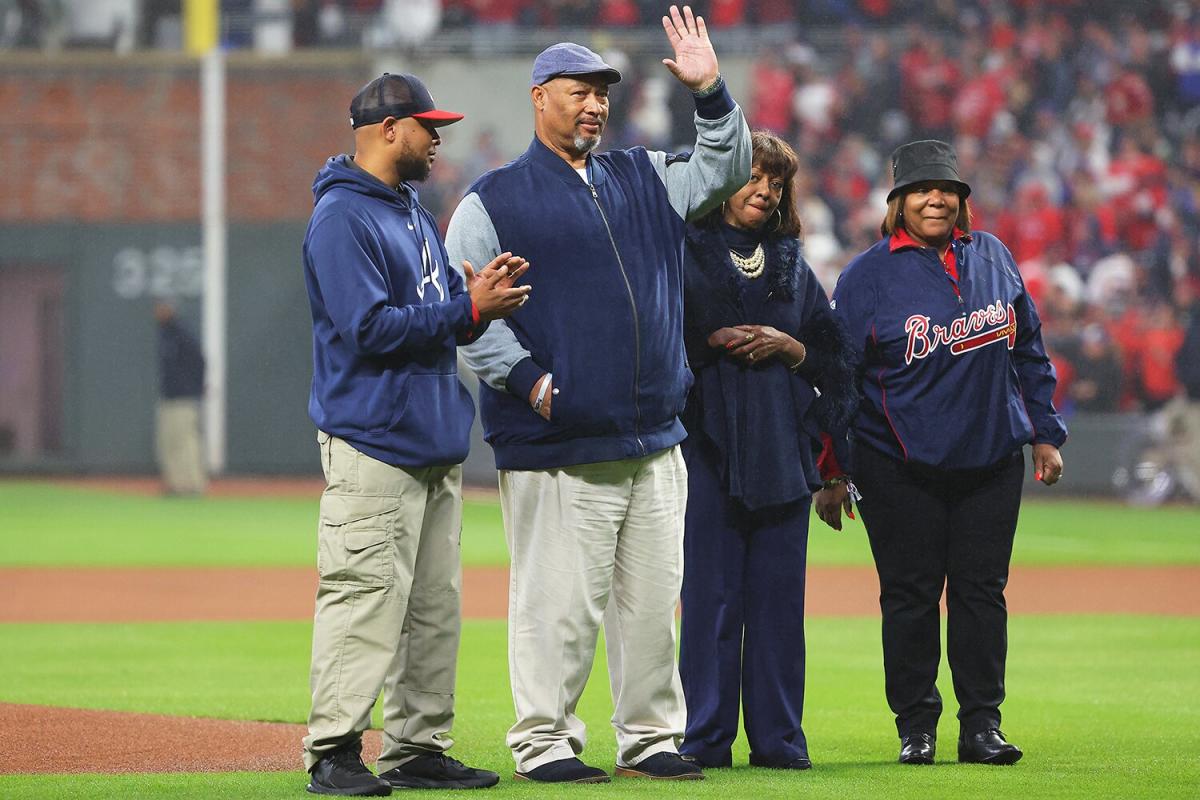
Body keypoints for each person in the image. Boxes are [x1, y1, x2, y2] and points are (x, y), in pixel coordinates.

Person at [444, 5, 750, 784]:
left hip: (653, 436)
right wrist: (534, 385)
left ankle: (650, 738)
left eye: (602, 93)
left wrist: (711, 92)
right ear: (539, 95)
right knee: (558, 607)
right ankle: (544, 741)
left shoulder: (641, 175)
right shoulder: (494, 200)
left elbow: (727, 170)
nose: (594, 104)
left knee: (652, 607)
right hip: (558, 444)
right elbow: (469, 313)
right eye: (578, 89)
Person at [300, 72, 531, 797]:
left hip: (430, 437)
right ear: (388, 128)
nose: (438, 139)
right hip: (373, 438)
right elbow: (367, 329)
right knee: (363, 597)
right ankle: (333, 750)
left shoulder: (408, 209)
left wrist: (469, 300)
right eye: (427, 126)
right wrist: (467, 309)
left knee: (434, 610)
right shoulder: (342, 218)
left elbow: (434, 314)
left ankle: (416, 746)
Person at [815, 140, 1067, 768]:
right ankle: (916, 726)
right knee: (909, 595)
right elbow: (839, 378)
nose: (936, 199)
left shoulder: (994, 257)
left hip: (991, 458)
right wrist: (832, 469)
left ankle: (982, 725)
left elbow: (1028, 349)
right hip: (897, 464)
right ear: (897, 202)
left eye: (947, 189)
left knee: (983, 594)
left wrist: (1043, 431)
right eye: (922, 189)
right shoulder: (867, 275)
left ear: (962, 200)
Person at [676, 131, 857, 771]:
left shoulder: (792, 265)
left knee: (779, 606)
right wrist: (707, 342)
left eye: (776, 183)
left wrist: (792, 348)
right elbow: (658, 344)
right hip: (707, 447)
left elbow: (838, 367)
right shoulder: (684, 252)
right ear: (722, 181)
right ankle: (704, 739)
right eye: (754, 177)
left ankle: (779, 741)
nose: (764, 191)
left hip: (783, 450)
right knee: (710, 602)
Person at [153, 301, 207, 496]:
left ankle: (192, 485)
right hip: (169, 397)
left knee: (186, 443)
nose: (159, 311)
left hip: (185, 398)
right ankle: (175, 485)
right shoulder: (164, 333)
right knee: (168, 443)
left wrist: (197, 387)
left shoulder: (182, 333)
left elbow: (200, 360)